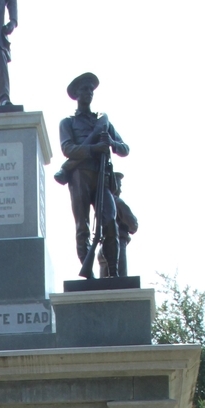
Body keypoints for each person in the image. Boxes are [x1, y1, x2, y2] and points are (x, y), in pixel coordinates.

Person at [58, 72, 129, 277]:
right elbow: (68, 149)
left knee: (110, 223)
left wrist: (111, 143)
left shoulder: (102, 121)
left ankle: (113, 274)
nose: (89, 92)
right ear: (76, 94)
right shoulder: (68, 122)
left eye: (91, 89)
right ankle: (88, 274)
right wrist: (94, 148)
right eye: (84, 89)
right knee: (83, 227)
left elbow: (125, 149)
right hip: (79, 176)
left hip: (101, 178)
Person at [97, 172, 139, 278]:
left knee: (103, 284)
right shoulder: (118, 202)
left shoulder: (100, 204)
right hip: (118, 245)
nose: (120, 189)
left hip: (103, 248)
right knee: (120, 282)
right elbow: (133, 225)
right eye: (119, 186)